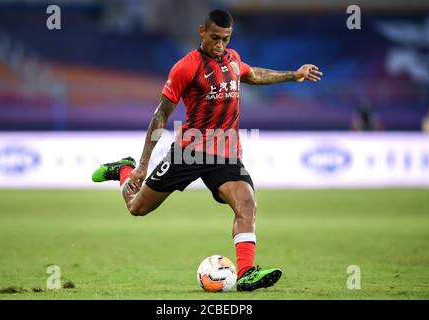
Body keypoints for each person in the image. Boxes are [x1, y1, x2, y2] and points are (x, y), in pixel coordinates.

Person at [92, 9, 323, 291]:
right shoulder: (185, 67)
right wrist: (142, 164)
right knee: (137, 208)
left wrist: (292, 75)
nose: (220, 45)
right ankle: (123, 169)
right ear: (202, 31)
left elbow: (255, 75)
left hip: (226, 154)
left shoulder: (233, 60)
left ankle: (247, 273)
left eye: (225, 39)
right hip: (188, 152)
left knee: (247, 203)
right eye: (215, 37)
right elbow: (160, 116)